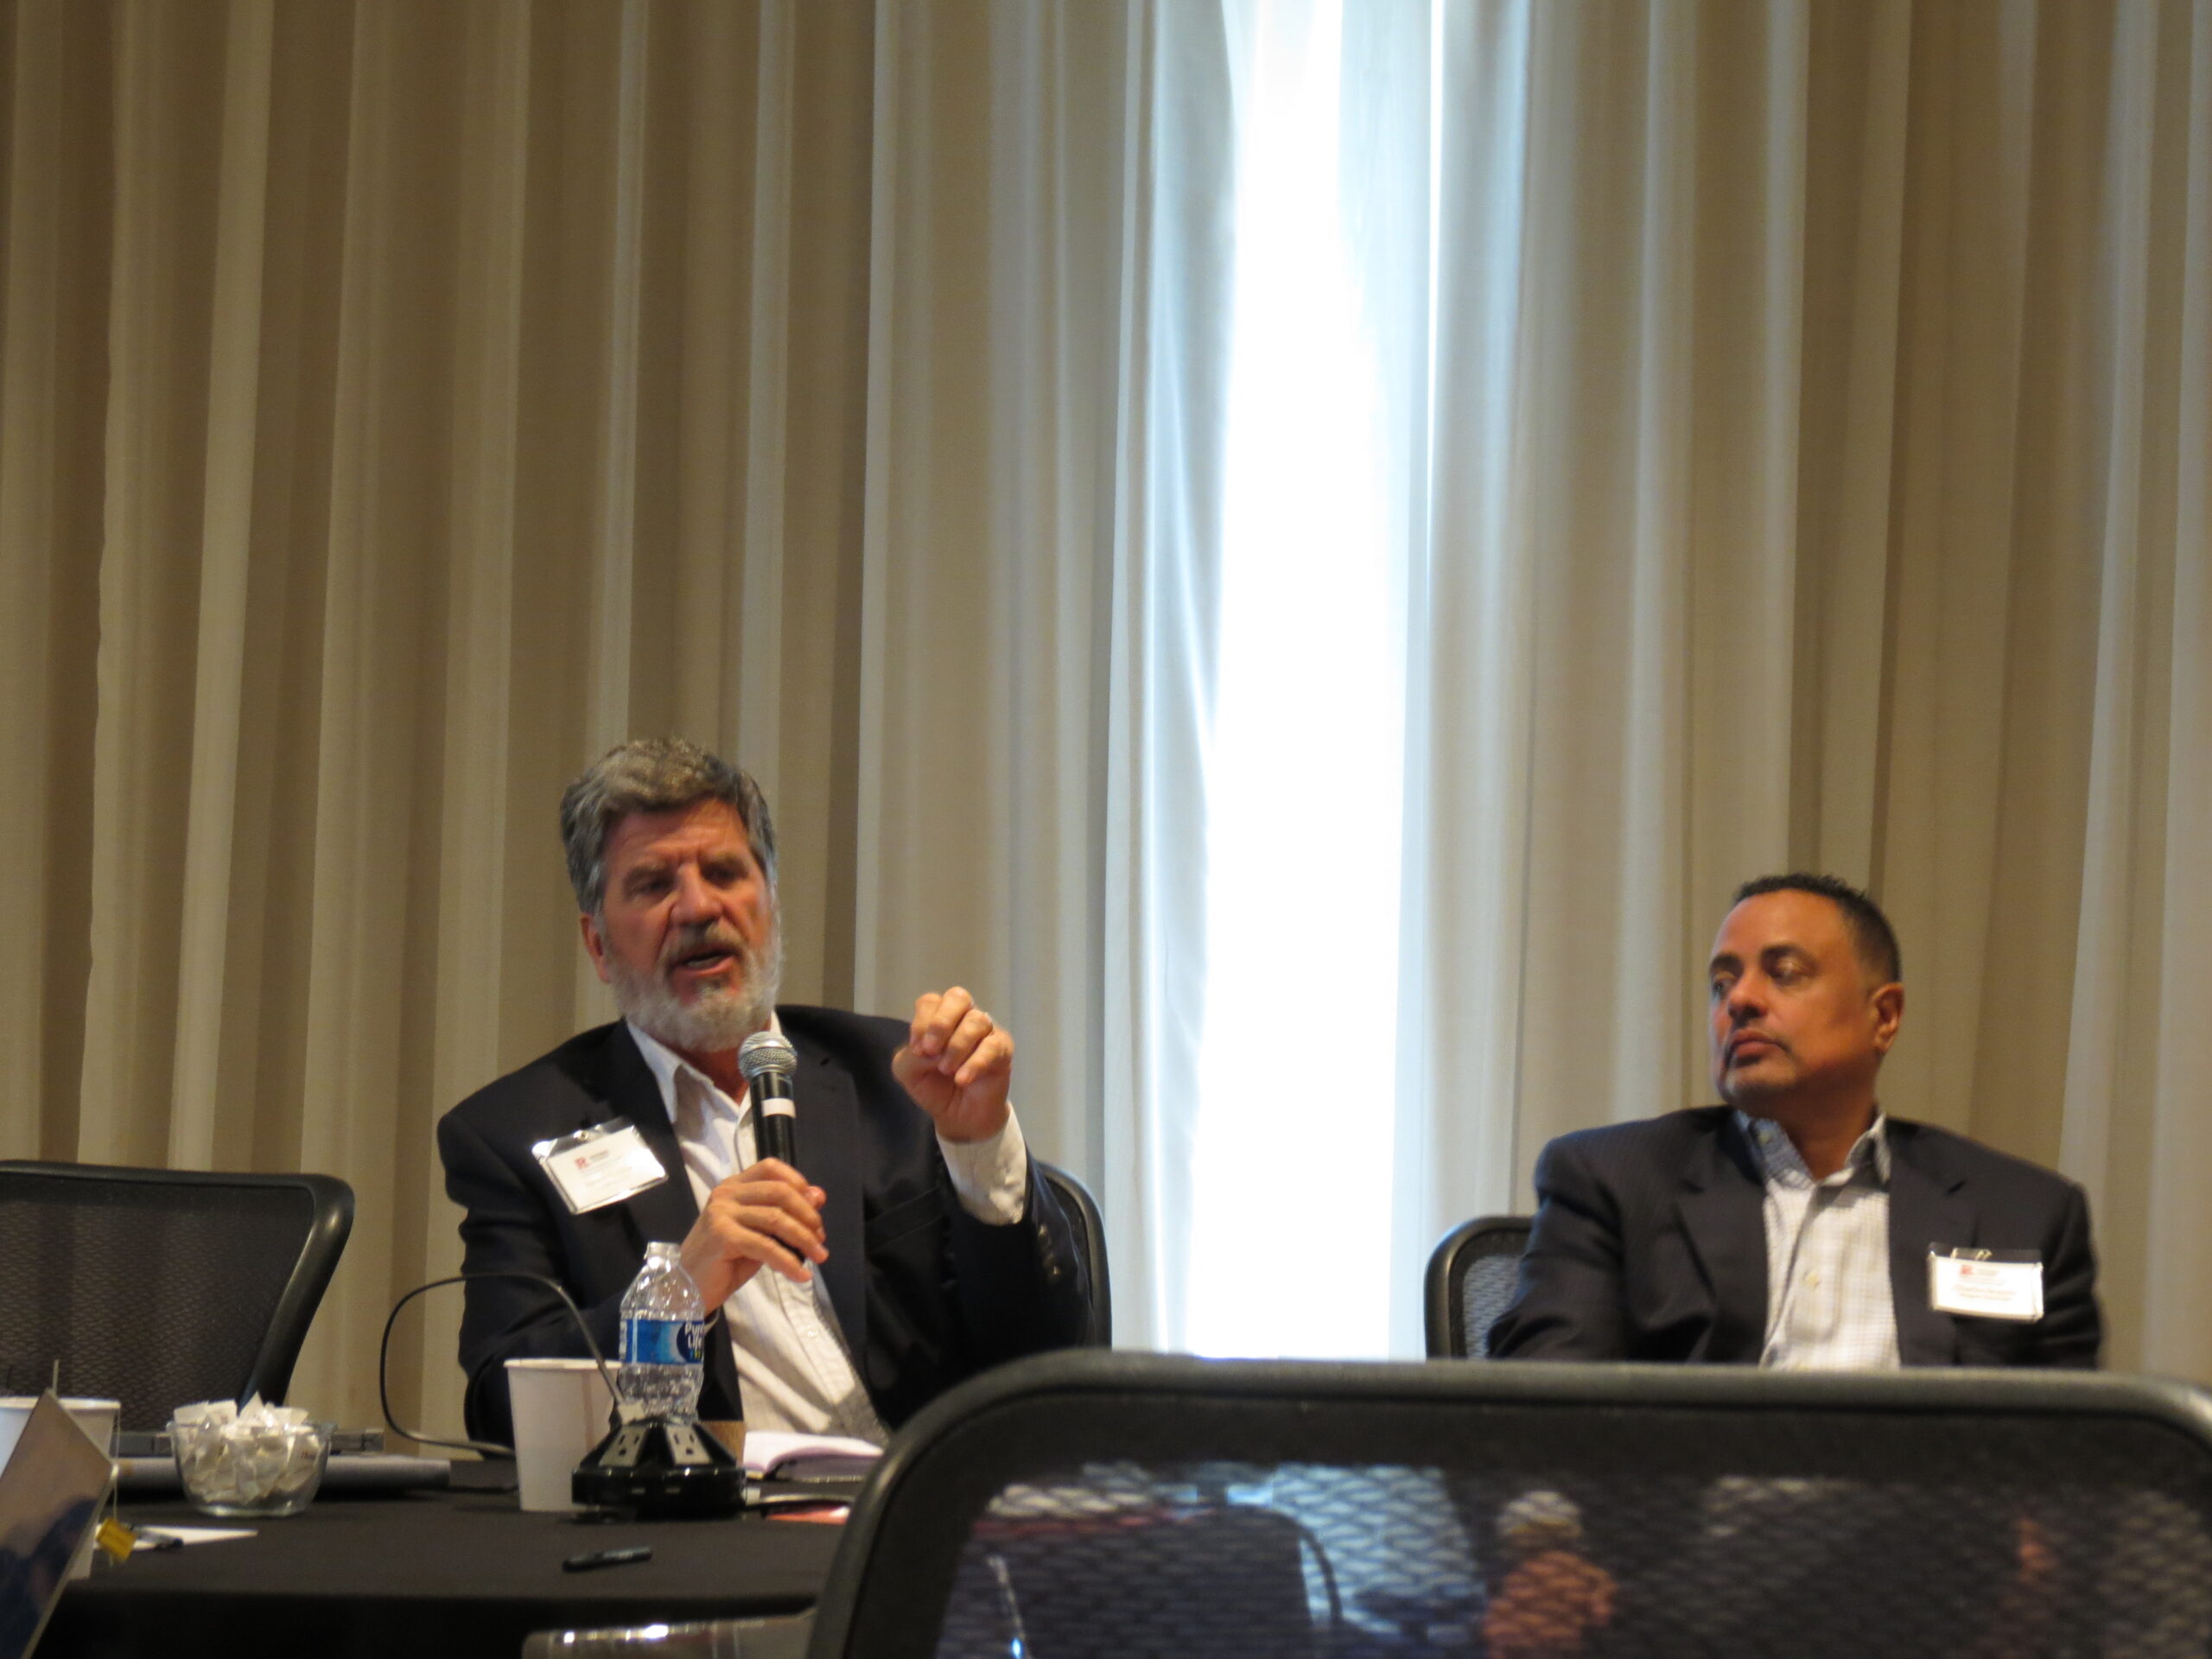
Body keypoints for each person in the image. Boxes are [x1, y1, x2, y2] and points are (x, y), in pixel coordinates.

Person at [438, 738, 1091, 1446]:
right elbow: (503, 1410)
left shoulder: (900, 1078)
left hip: (921, 1492)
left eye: (724, 872)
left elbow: (1053, 1364)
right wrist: (676, 1297)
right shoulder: (518, 1134)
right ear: (598, 945)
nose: (698, 907)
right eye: (653, 885)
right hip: (717, 1510)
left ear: (771, 904)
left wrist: (979, 1143)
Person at [1486, 873, 2101, 1368]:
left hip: (1930, 1492)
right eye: (1721, 983)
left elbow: (2077, 1450)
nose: (1739, 1000)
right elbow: (1545, 1408)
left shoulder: (2024, 1215)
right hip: (1697, 1490)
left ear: (1884, 1016)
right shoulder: (1615, 1183)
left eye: (1784, 974)